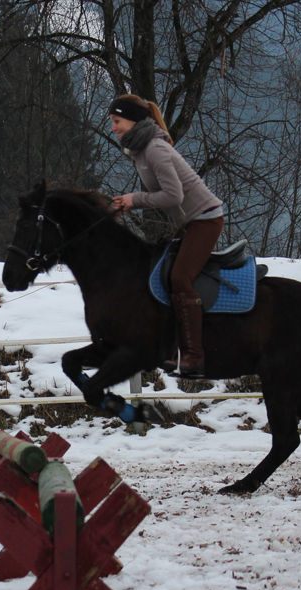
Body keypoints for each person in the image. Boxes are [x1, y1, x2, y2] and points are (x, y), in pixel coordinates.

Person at [109, 94, 224, 377]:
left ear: (133, 120)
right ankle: (169, 353)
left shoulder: (154, 149)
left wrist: (135, 199)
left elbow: (174, 195)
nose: (113, 128)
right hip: (189, 222)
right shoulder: (141, 150)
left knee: (179, 278)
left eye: (116, 121)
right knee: (159, 271)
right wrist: (128, 204)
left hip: (205, 220)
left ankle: (194, 357)